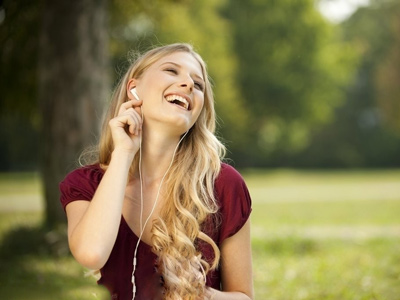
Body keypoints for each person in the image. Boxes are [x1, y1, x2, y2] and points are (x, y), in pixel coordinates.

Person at [59, 43, 253, 300]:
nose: (187, 85)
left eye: (198, 85)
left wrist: (197, 294)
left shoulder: (224, 184)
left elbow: (244, 296)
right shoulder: (85, 184)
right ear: (134, 89)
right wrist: (124, 154)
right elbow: (91, 253)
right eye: (172, 71)